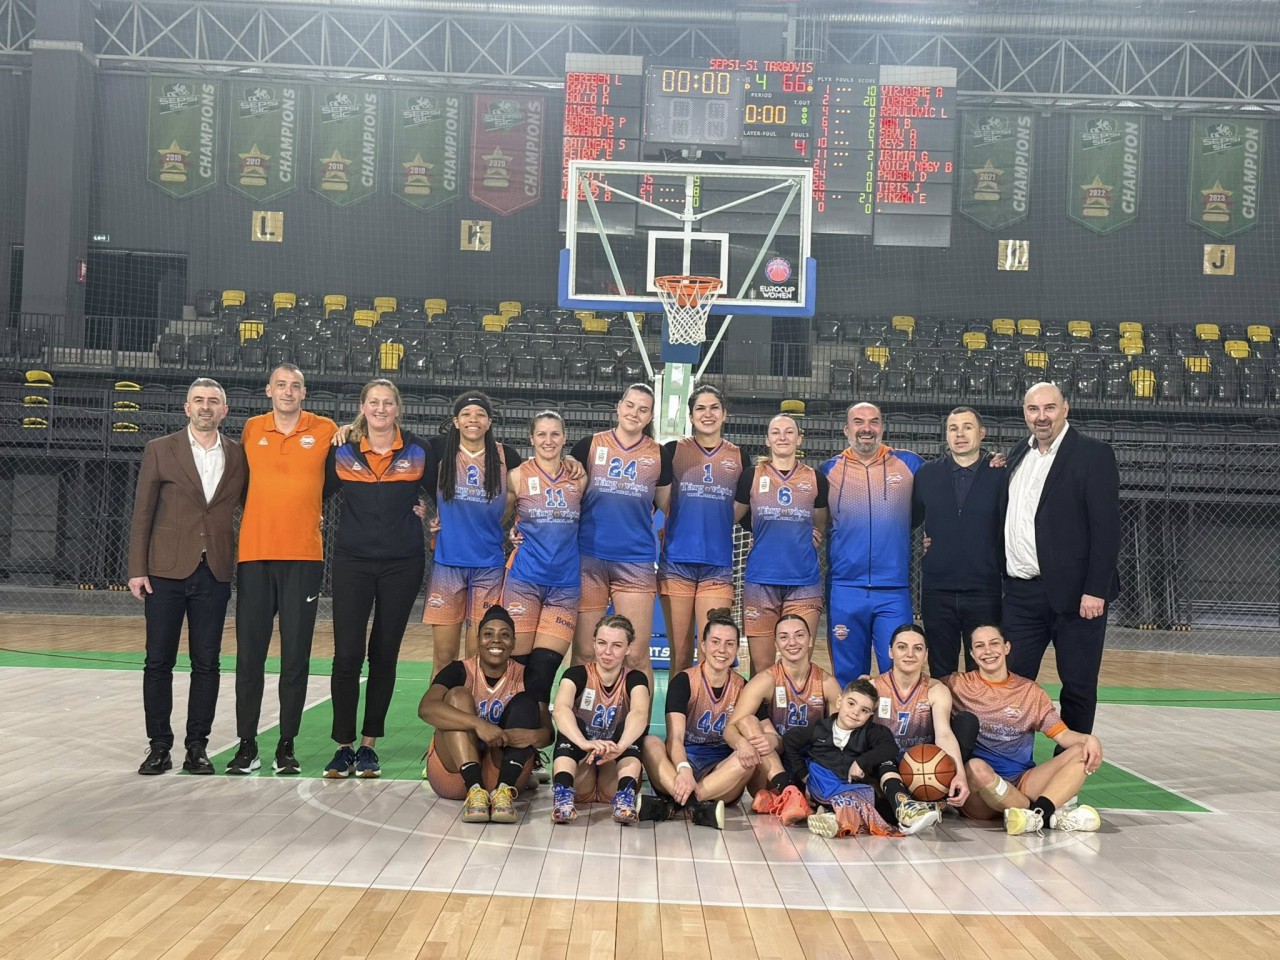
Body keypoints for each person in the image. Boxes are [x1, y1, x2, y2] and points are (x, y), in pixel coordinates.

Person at [128, 378, 247, 775]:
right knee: (158, 661)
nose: (205, 407)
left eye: (213, 401)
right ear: (187, 407)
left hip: (214, 571)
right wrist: (137, 568)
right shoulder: (160, 449)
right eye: (199, 400)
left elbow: (256, 503)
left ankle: (197, 746)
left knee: (207, 663)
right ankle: (159, 746)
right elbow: (143, 512)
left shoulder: (239, 455)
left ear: (224, 410)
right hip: (164, 571)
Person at [230, 363, 338, 775]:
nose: (288, 392)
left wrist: (307, 506)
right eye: (281, 385)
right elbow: (241, 485)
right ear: (268, 390)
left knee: (295, 657)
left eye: (295, 386)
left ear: (304, 393)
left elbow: (337, 474)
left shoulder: (325, 429)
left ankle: (286, 745)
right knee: (249, 657)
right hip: (254, 555)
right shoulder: (252, 429)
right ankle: (246, 745)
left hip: (303, 557)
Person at [321, 379, 431, 779]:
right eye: (373, 402)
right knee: (347, 655)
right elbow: (314, 492)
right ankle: (343, 746)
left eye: (387, 403)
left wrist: (431, 514)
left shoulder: (419, 449)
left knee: (384, 653)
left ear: (397, 408)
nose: (381, 409)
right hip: (352, 562)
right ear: (363, 406)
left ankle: (369, 746)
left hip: (403, 564)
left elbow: (444, 494)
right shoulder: (342, 449)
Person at [1001, 382, 1121, 735]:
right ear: (1024, 413)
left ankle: (1070, 763)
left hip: (1077, 596)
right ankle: (1013, 759)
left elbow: (1107, 529)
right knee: (1012, 682)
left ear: (1065, 409)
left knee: (1078, 685)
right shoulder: (1017, 454)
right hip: (1021, 595)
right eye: (1033, 409)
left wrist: (1095, 589)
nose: (1041, 417)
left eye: (1049, 408)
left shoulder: (1093, 454)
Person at [946, 624, 1103, 835]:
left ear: (1007, 647)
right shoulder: (957, 685)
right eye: (980, 646)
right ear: (972, 654)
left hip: (1022, 782)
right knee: (976, 767)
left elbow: (1063, 735)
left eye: (994, 643)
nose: (988, 651)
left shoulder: (1030, 691)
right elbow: (923, 686)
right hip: (980, 793)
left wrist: (1088, 740)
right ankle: (1044, 816)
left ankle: (1034, 815)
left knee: (1081, 752)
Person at [570, 384, 673, 682]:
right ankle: (576, 712)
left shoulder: (659, 455)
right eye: (630, 405)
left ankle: (636, 715)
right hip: (589, 559)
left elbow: (669, 506)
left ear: (650, 416)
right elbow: (565, 498)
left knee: (636, 656)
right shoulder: (588, 446)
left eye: (643, 409)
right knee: (585, 652)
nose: (634, 413)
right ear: (619, 406)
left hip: (635, 562)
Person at [418, 605, 552, 824]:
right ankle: (474, 790)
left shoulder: (528, 676)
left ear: (514, 642)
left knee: (527, 702)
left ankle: (503, 792)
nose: (496, 640)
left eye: (504, 635)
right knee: (458, 695)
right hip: (454, 774)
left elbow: (548, 733)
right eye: (488, 634)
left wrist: (532, 736)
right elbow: (426, 708)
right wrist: (478, 724)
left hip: (501, 772)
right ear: (478, 640)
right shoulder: (459, 670)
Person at [820, 402, 923, 686]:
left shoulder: (910, 464)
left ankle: (898, 718)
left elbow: (945, 489)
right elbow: (814, 517)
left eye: (873, 421)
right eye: (858, 421)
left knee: (901, 672)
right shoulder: (828, 470)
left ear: (882, 427)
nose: (866, 428)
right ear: (846, 429)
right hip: (845, 588)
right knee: (849, 677)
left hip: (893, 590)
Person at [421, 390, 525, 670]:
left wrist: (515, 524)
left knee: (476, 656)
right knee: (444, 656)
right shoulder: (438, 450)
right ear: (456, 421)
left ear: (489, 422)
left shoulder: (506, 456)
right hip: (448, 565)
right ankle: (440, 700)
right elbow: (403, 463)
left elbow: (528, 488)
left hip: (488, 566)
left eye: (480, 414)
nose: (473, 419)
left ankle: (473, 701)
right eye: (466, 414)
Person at [658, 384, 749, 675]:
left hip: (717, 567)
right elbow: (657, 498)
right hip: (677, 564)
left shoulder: (739, 457)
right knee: (681, 654)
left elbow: (745, 509)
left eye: (714, 408)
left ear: (725, 414)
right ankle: (679, 707)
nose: (707, 414)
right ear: (691, 416)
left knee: (714, 655)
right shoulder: (673, 451)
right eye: (700, 408)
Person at [911, 407, 1006, 678]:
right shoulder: (927, 474)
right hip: (937, 591)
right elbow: (909, 521)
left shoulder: (1001, 473)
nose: (960, 434)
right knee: (941, 671)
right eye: (953, 428)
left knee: (983, 670)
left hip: (985, 590)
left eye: (967, 427)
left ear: (982, 433)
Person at [638, 611, 752, 829]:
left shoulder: (743, 687)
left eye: (729, 644)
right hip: (681, 764)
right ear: (703, 645)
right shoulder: (684, 681)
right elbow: (675, 738)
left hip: (719, 772)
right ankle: (697, 808)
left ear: (737, 648)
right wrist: (684, 769)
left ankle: (674, 804)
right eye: (715, 642)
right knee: (649, 742)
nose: (722, 650)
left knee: (747, 758)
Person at [734, 414, 828, 675]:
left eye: (789, 432)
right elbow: (732, 516)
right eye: (776, 432)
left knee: (799, 664)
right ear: (767, 440)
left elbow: (820, 523)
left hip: (803, 582)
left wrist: (813, 533)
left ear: (799, 439)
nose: (782, 437)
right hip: (761, 580)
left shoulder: (815, 479)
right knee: (762, 667)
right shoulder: (751, 476)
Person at [501, 410, 584, 703]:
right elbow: (500, 517)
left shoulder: (579, 478)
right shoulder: (517, 476)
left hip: (564, 585)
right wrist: (511, 531)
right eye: (542, 434)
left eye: (555, 434)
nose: (548, 440)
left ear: (564, 438)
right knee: (516, 669)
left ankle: (535, 731)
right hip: (524, 580)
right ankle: (510, 729)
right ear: (531, 438)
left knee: (543, 672)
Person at [729, 614, 840, 823]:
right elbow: (731, 727)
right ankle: (787, 792)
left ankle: (780, 799)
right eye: (784, 637)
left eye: (799, 635)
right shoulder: (765, 680)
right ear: (776, 643)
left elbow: (841, 737)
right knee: (747, 722)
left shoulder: (827, 683)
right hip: (773, 763)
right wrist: (741, 743)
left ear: (810, 640)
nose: (792, 642)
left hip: (810, 763)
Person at [550, 614, 651, 825]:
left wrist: (620, 746)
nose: (607, 652)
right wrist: (583, 742)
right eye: (602, 643)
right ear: (594, 643)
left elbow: (640, 713)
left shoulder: (635, 679)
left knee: (631, 731)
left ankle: (625, 799)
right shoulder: (576, 674)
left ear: (628, 648)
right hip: (582, 767)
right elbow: (560, 709)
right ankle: (563, 797)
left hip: (613, 769)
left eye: (617, 645)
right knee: (572, 726)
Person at [870, 624, 975, 818]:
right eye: (902, 647)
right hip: (884, 765)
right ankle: (910, 805)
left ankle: (926, 798)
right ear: (890, 652)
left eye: (917, 648)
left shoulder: (936, 690)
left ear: (926, 654)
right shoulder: (873, 688)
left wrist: (960, 774)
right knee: (880, 754)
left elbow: (944, 734)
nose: (910, 654)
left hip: (923, 768)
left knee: (966, 723)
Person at [781, 679, 905, 838]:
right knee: (823, 778)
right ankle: (831, 815)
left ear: (871, 714)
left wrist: (861, 762)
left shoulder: (871, 732)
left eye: (864, 710)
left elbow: (890, 748)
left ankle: (830, 816)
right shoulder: (819, 729)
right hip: (822, 783)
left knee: (886, 812)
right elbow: (789, 739)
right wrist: (803, 775)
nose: (855, 712)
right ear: (840, 702)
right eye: (851, 704)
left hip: (852, 786)